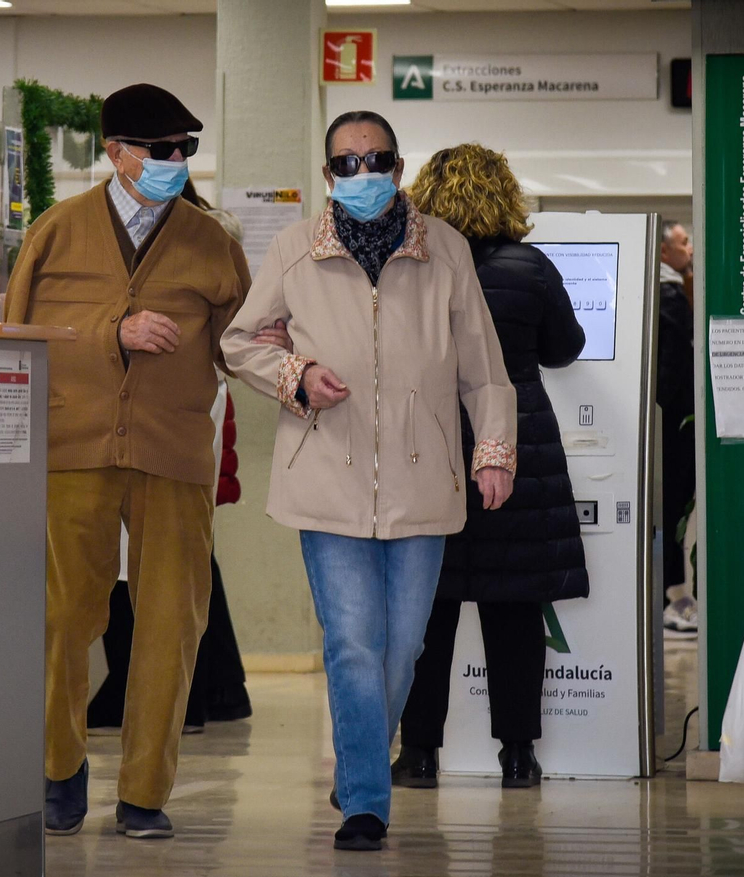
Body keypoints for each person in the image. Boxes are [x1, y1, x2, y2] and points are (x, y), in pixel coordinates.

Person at [222, 110, 517, 852]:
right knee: (353, 641)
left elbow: (485, 371)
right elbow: (239, 342)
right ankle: (364, 798)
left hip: (424, 484)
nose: (363, 173)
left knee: (405, 647)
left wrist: (494, 451)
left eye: (376, 158)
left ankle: (359, 760)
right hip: (326, 475)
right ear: (329, 176)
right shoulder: (295, 249)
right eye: (347, 163)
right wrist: (295, 374)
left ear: (397, 165)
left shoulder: (444, 249)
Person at [2, 82, 251, 840]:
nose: (178, 162)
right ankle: (58, 766)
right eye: (162, 150)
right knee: (62, 615)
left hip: (174, 454)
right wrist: (113, 327)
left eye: (187, 150)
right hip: (71, 449)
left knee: (174, 620)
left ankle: (145, 789)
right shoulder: (57, 232)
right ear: (114, 152)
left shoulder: (213, 243)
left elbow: (246, 341)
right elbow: (18, 335)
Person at [387, 143, 588, 791]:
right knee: (514, 611)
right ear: (505, 193)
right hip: (515, 446)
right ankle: (518, 755)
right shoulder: (531, 268)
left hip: (431, 444)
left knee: (428, 609)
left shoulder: (411, 265)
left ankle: (418, 755)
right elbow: (567, 347)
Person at [87, 374, 253, 735]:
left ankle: (181, 698)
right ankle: (211, 692)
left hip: (166, 416)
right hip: (173, 410)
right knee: (184, 562)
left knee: (161, 563)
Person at [657, 221, 698, 637]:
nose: (691, 248)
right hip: (674, 426)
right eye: (684, 242)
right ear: (665, 252)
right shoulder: (668, 298)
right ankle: (674, 596)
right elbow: (673, 375)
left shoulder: (678, 290)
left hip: (677, 425)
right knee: (672, 508)